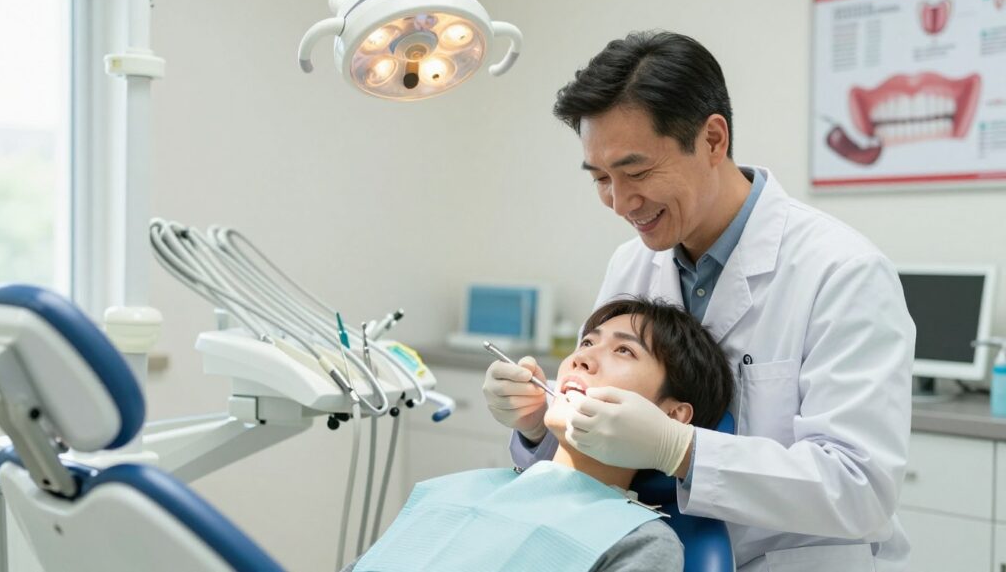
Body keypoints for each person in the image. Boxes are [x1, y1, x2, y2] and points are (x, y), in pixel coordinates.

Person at [482, 30, 915, 572]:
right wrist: (535, 428)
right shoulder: (631, 264)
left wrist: (681, 450)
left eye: (637, 172)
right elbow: (600, 457)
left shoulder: (842, 272)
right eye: (601, 179)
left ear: (713, 140)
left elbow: (862, 489)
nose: (620, 202)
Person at [344, 297, 733, 572]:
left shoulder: (640, 543)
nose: (582, 357)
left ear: (672, 416)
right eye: (587, 342)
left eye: (624, 352)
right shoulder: (455, 491)